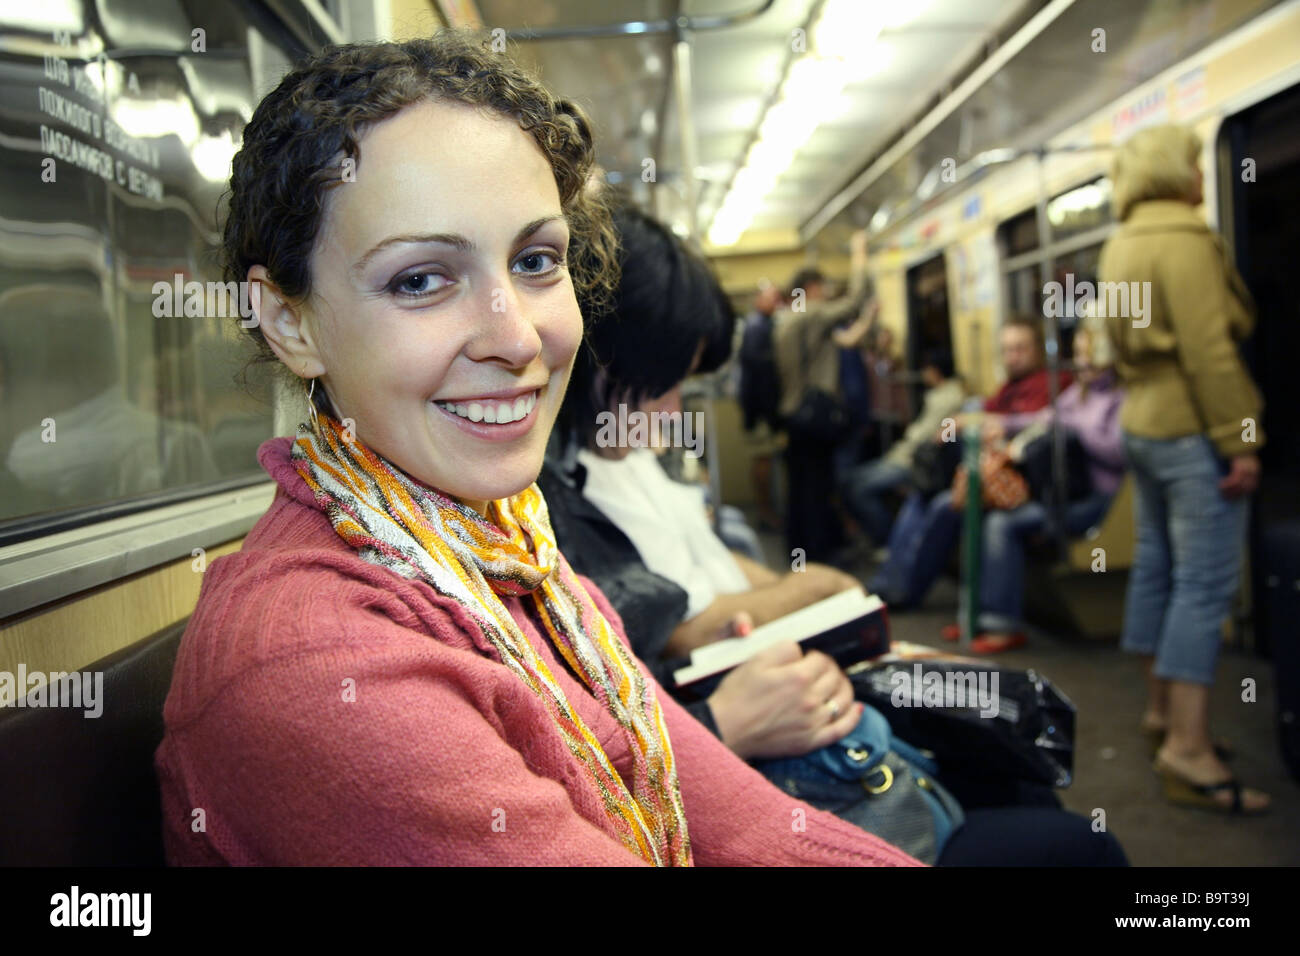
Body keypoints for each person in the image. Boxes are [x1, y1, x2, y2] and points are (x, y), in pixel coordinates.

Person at [153, 33, 926, 867]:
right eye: (421, 279)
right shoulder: (320, 667)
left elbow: (751, 826)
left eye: (534, 260)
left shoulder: (510, 552)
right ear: (290, 323)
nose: (518, 338)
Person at [544, 206, 1127, 866]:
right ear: (610, 362)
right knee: (1077, 846)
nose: (675, 409)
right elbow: (679, 632)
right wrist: (828, 588)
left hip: (772, 687)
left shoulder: (625, 457)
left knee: (1018, 770)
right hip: (755, 740)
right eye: (666, 382)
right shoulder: (564, 500)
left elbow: (713, 565)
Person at [1100, 123, 1270, 814]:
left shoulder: (1118, 244)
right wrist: (1242, 438)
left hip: (1143, 422)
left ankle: (1161, 713)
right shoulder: (1187, 242)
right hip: (1192, 425)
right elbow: (1210, 353)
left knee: (1157, 568)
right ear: (1180, 172)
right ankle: (1190, 750)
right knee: (1204, 584)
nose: (1204, 176)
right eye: (1198, 164)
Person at [937, 321, 1124, 652]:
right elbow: (1042, 419)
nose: (1082, 363)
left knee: (1002, 523)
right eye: (1078, 354)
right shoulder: (1077, 393)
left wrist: (1074, 429)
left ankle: (1002, 624)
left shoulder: (1120, 396)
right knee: (980, 512)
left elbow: (1117, 451)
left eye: (1090, 355)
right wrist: (998, 423)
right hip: (1064, 493)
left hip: (1099, 500)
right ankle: (976, 617)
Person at [870, 316, 1071, 612]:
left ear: (1039, 350)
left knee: (943, 505)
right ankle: (887, 583)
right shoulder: (1009, 388)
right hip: (991, 474)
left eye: (1020, 349)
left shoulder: (1054, 384)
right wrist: (955, 425)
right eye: (1007, 350)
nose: (1012, 357)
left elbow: (1040, 423)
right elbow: (979, 413)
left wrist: (992, 423)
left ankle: (904, 592)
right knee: (920, 495)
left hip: (1021, 483)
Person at [774, 238, 873, 563]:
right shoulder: (812, 314)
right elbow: (854, 301)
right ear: (811, 288)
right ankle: (818, 555)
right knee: (818, 489)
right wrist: (859, 253)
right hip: (815, 416)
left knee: (801, 489)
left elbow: (845, 339)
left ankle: (800, 551)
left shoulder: (787, 319)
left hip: (794, 414)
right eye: (824, 286)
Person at [840, 349, 965, 547]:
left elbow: (929, 436)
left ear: (935, 371)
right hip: (904, 455)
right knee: (851, 480)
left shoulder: (948, 399)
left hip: (911, 461)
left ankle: (886, 539)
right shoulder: (941, 395)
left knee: (856, 487)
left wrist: (911, 435)